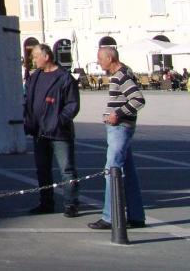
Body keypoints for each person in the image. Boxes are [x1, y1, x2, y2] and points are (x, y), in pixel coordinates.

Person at [88, 46, 146, 230]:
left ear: (110, 58)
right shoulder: (122, 73)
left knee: (111, 171)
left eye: (100, 58)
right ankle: (136, 216)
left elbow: (138, 99)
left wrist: (117, 114)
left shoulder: (122, 75)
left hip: (120, 128)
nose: (98, 62)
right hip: (120, 128)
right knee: (128, 173)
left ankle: (110, 216)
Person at [24, 44, 81, 217]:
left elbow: (72, 105)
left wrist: (59, 121)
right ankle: (45, 202)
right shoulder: (35, 77)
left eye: (35, 56)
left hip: (59, 133)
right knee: (42, 169)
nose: (33, 60)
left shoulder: (64, 78)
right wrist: (29, 120)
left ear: (46, 56)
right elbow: (27, 100)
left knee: (67, 169)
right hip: (39, 132)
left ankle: (71, 203)